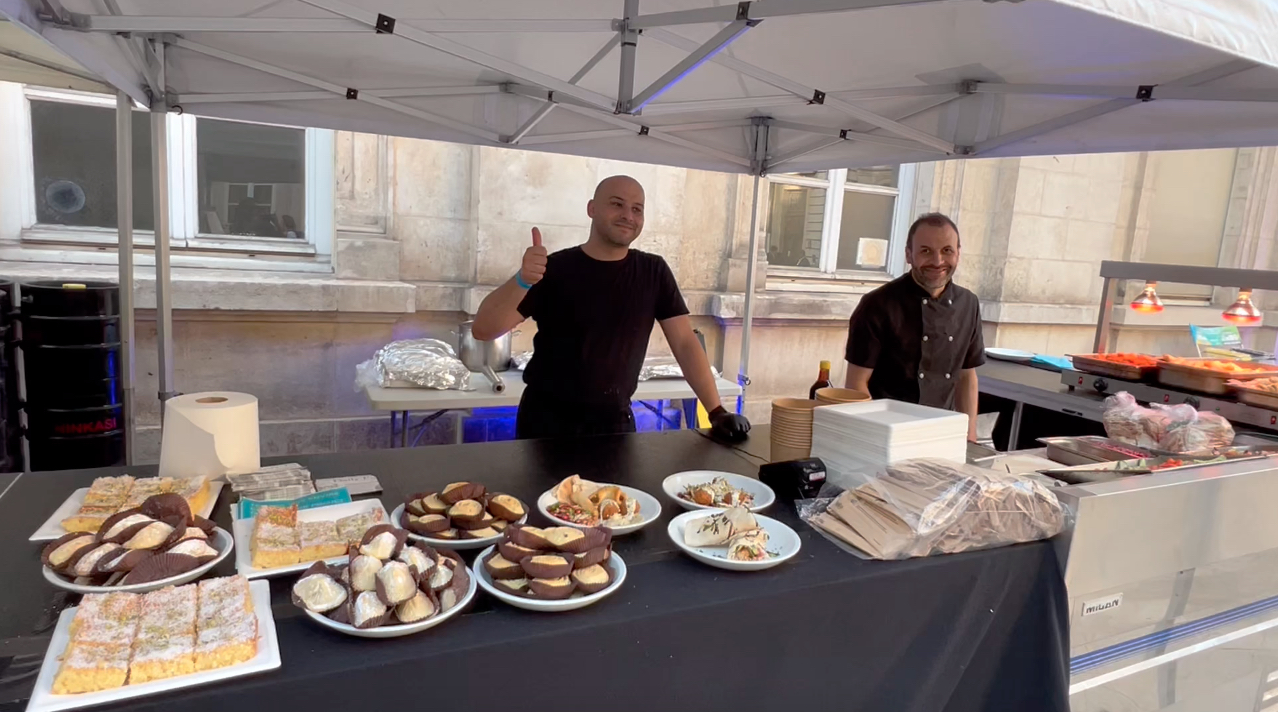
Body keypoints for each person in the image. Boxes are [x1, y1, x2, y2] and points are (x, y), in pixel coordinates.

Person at [472, 175, 751, 442]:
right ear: (592, 209)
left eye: (637, 209)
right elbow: (484, 329)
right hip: (545, 423)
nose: (628, 215)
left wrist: (716, 411)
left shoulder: (653, 272)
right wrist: (523, 279)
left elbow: (685, 343)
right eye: (617, 204)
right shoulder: (554, 269)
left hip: (615, 423)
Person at [843, 212, 983, 441]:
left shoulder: (969, 303)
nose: (937, 261)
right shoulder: (877, 304)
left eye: (947, 250)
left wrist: (969, 436)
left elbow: (967, 376)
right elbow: (856, 383)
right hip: (888, 432)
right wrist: (880, 436)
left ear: (958, 253)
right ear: (909, 254)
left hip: (943, 431)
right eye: (926, 251)